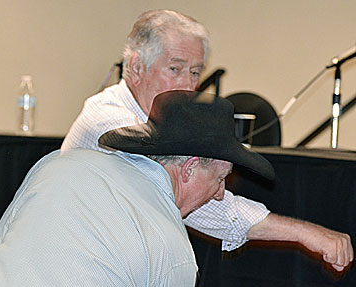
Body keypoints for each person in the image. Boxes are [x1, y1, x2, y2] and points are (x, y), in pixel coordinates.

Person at [61, 9, 353, 273]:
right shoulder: (110, 122)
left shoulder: (158, 123)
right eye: (175, 69)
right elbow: (201, 202)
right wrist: (305, 234)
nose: (188, 86)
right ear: (136, 68)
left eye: (195, 72)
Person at [0, 91, 275, 286]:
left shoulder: (58, 164)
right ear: (188, 169)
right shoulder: (174, 253)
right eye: (220, 179)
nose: (220, 193)